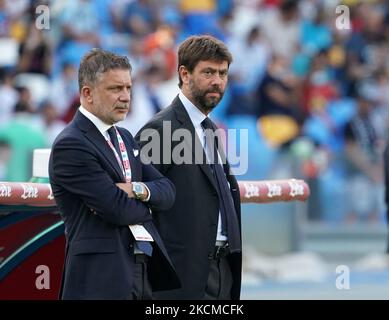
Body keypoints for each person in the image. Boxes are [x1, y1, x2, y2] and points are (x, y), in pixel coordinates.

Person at [48, 48, 180, 300]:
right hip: (99, 277)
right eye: (115, 89)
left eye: (129, 88)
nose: (125, 97)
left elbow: (168, 191)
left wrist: (136, 190)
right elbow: (117, 209)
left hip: (140, 268)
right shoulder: (72, 144)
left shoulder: (125, 137)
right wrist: (149, 207)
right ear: (87, 93)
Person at [135, 35, 242, 300]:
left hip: (221, 271)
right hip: (181, 277)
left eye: (223, 73)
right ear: (184, 73)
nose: (217, 81)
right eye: (208, 72)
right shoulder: (162, 129)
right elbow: (139, 204)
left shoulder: (210, 129)